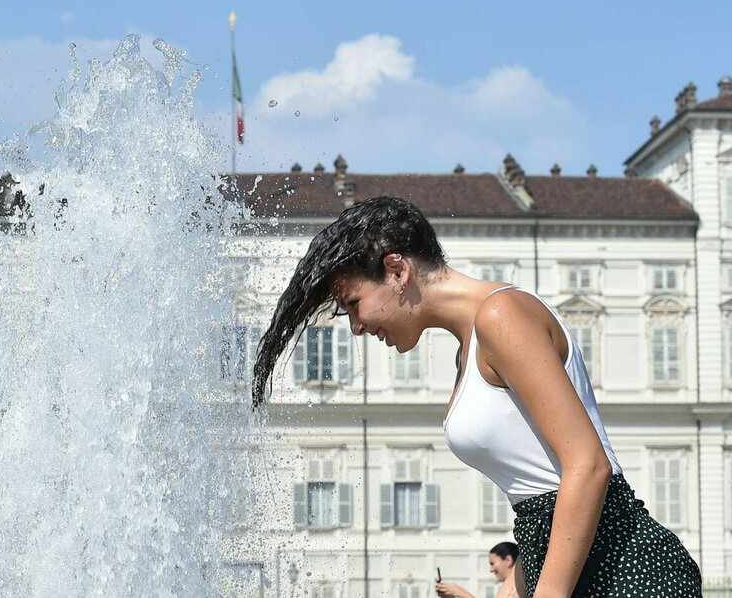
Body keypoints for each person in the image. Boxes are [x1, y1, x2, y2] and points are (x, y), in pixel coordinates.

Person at [252, 196, 701, 597]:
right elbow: (541, 491)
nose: (356, 326)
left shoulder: (501, 315)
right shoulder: (470, 346)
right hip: (581, 569)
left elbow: (588, 465)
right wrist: (514, 586)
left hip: (628, 573)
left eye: (353, 303)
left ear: (396, 270)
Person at [435, 542, 521, 598]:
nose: (491, 570)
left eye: (492, 563)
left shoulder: (518, 588)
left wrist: (459, 592)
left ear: (508, 560)